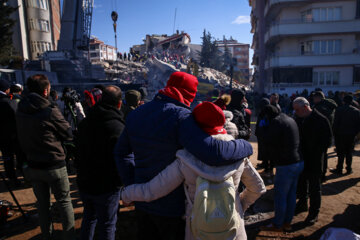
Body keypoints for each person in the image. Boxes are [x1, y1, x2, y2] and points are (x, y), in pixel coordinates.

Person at [114, 72, 253, 240]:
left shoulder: (136, 113)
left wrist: (131, 185)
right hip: (174, 207)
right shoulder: (182, 117)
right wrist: (245, 145)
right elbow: (213, 152)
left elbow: (121, 153)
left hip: (143, 202)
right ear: (189, 94)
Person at [16, 74, 76, 239]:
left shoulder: (20, 109)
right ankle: (69, 236)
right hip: (54, 164)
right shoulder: (49, 110)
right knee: (64, 202)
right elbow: (68, 132)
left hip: (33, 164)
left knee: (42, 205)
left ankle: (46, 236)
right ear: (45, 91)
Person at [76, 86, 125, 240]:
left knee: (89, 218)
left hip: (85, 181)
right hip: (107, 186)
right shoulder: (118, 127)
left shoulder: (85, 122)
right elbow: (121, 158)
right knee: (107, 225)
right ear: (119, 103)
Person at [258, 105, 303, 232]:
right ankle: (287, 222)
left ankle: (277, 224)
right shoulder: (288, 118)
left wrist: (263, 128)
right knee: (291, 195)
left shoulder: (276, 122)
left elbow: (267, 140)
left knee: (281, 196)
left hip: (286, 164)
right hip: (298, 161)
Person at [293, 97, 332, 225]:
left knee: (315, 187)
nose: (296, 112)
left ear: (305, 107)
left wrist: (315, 150)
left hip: (314, 160)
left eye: (297, 110)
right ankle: (302, 204)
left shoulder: (321, 120)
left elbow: (327, 141)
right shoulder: (298, 119)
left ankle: (314, 213)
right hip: (301, 158)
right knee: (302, 184)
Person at [331, 95, 360, 175]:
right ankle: (349, 169)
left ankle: (339, 168)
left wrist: (334, 133)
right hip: (351, 135)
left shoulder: (339, 110)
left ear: (343, 101)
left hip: (340, 134)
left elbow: (335, 123)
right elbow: (358, 125)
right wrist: (355, 134)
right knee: (349, 153)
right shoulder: (356, 111)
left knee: (340, 153)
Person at [0, 80, 19, 184]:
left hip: (2, 137)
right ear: (6, 90)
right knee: (20, 156)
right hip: (13, 135)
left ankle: (12, 178)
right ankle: (25, 176)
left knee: (7, 158)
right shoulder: (9, 102)